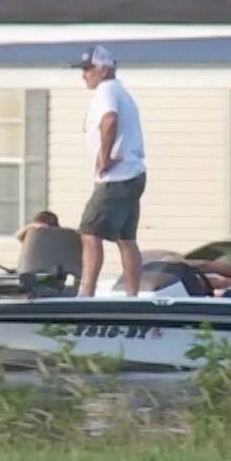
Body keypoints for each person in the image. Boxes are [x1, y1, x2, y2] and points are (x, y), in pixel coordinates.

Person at [71, 45, 148, 297]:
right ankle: (132, 295)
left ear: (103, 71)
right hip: (133, 175)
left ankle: (87, 294)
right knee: (126, 238)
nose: (84, 75)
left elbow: (109, 120)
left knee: (89, 232)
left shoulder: (106, 91)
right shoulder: (121, 92)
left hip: (115, 178)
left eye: (88, 69)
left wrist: (104, 158)